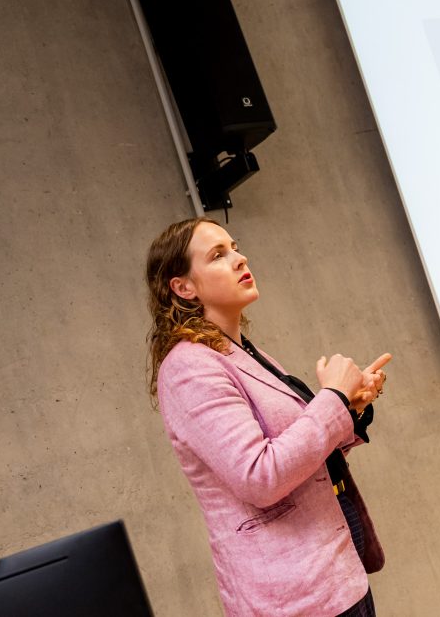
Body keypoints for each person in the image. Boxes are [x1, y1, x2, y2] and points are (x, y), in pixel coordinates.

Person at [145, 217, 390, 616]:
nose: (240, 259)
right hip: (296, 596)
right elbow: (260, 476)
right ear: (183, 287)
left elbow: (302, 457)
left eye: (235, 247)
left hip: (339, 570)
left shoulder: (242, 352)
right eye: (218, 255)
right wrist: (332, 397)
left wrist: (351, 405)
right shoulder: (189, 368)